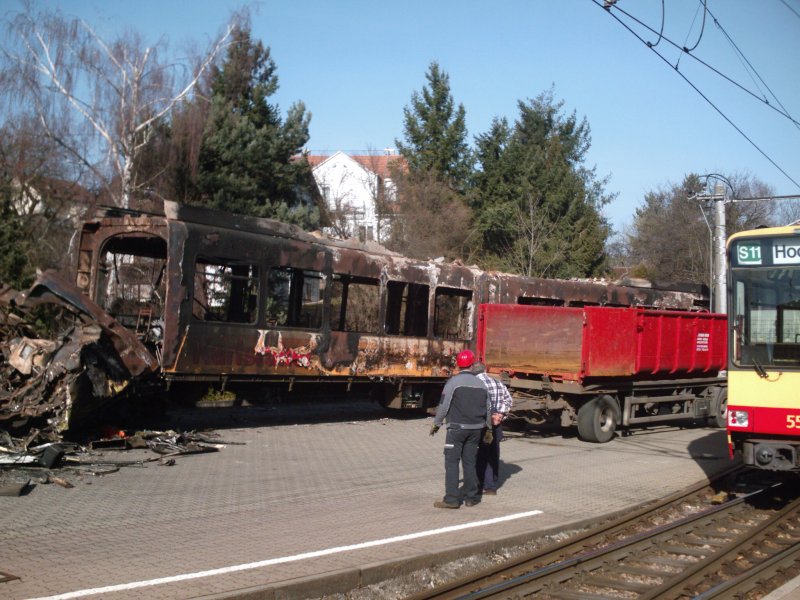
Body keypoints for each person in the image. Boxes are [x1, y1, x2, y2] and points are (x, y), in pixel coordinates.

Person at [430, 349, 492, 509]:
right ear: (472, 365)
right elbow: (488, 408)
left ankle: (451, 499)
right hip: (476, 429)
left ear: (458, 364)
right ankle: (472, 498)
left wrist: (436, 423)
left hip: (456, 429)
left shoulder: (453, 383)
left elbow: (443, 406)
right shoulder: (482, 385)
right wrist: (489, 428)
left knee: (451, 463)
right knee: (470, 463)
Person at [472, 362, 513, 496]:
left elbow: (476, 405)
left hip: (481, 425)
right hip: (496, 425)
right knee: (493, 453)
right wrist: (500, 415)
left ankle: (479, 485)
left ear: (473, 370)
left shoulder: (474, 383)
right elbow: (509, 401)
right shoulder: (497, 383)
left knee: (480, 455)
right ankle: (491, 486)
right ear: (485, 370)